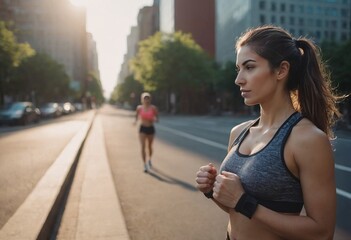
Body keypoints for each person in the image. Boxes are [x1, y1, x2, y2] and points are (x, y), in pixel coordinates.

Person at [196, 25, 343, 240]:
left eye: (250, 67)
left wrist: (244, 201)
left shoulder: (307, 139)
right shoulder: (238, 132)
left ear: (281, 70)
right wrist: (213, 190)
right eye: (238, 69)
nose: (239, 79)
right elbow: (236, 211)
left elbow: (321, 232)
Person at [134, 92, 159, 172]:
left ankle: (149, 159)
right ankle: (144, 164)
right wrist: (135, 121)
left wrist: (154, 119)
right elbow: (136, 115)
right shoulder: (139, 108)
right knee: (142, 146)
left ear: (150, 99)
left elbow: (157, 118)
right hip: (142, 128)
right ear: (142, 99)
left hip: (150, 128)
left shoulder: (153, 108)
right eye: (145, 98)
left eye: (148, 98)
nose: (146, 100)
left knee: (149, 146)